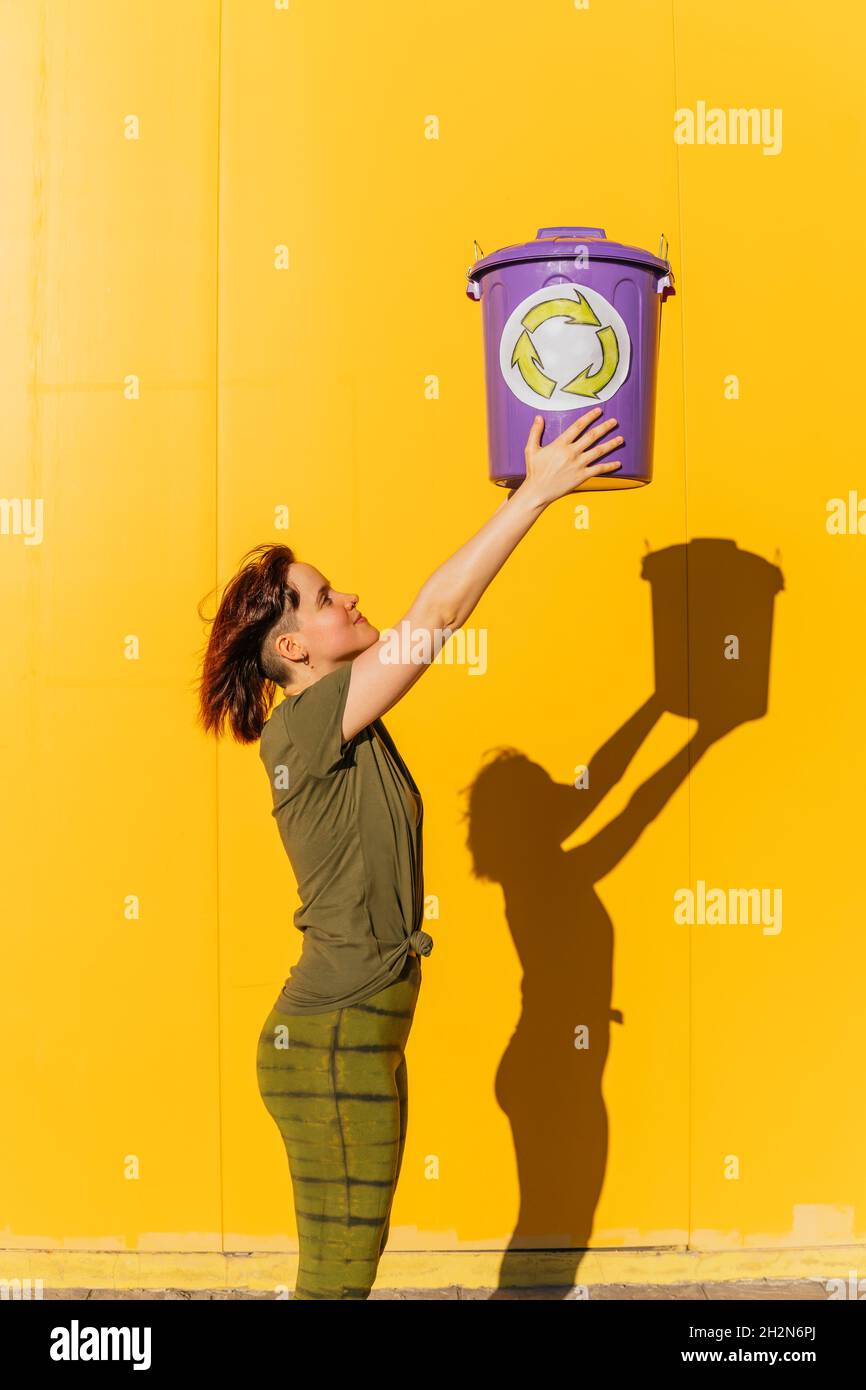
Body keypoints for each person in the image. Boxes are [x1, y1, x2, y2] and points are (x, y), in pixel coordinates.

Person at [195, 407, 624, 1299]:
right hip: (332, 1039)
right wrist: (535, 499)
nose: (347, 598)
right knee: (338, 1284)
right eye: (323, 599)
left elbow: (601, 809)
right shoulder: (309, 725)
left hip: (350, 1035)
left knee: (346, 1275)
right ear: (292, 647)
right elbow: (440, 611)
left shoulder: (345, 717)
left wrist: (673, 723)